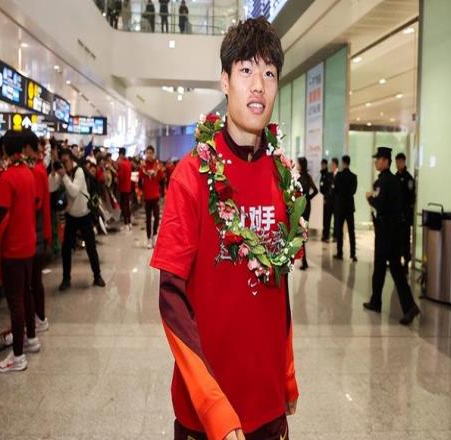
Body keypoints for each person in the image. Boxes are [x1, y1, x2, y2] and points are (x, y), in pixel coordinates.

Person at [151, 17, 299, 440]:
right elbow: (171, 297)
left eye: (269, 73)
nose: (258, 86)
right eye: (246, 70)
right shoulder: (192, 175)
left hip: (268, 405)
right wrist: (212, 406)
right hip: (205, 412)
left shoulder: (282, 176)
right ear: (225, 81)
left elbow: (279, 286)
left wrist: (287, 375)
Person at [0, 130, 38, 373]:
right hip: (28, 244)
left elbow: (1, 217)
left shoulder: (7, 178)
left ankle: (18, 356)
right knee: (26, 293)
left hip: (13, 248)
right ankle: (31, 338)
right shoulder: (29, 173)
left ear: (5, 150)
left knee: (15, 301)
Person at [363, 147, 420, 326]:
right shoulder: (392, 180)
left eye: (378, 159)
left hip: (387, 232)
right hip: (391, 230)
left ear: (386, 161)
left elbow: (380, 205)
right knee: (380, 266)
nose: (376, 162)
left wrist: (369, 198)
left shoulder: (384, 181)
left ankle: (410, 307)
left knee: (395, 268)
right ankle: (376, 301)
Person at [50, 149, 105, 291]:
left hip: (84, 215)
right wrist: (54, 173)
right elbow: (51, 187)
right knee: (66, 249)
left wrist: (64, 176)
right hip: (71, 216)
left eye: (66, 161)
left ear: (71, 159)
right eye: (62, 162)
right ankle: (66, 279)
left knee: (90, 247)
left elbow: (73, 191)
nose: (64, 164)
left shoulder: (78, 171)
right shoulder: (63, 173)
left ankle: (97, 276)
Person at [23, 131, 52, 333]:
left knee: (32, 281)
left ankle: (39, 318)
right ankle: (39, 317)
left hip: (36, 234)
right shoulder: (39, 168)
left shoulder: (37, 171)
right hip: (39, 233)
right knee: (34, 280)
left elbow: (36, 204)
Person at [333, 155, 357, 261]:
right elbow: (354, 191)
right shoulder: (353, 177)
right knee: (351, 231)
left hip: (340, 207)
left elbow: (335, 190)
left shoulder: (338, 175)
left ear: (343, 163)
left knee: (339, 231)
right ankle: (353, 254)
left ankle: (340, 253)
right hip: (350, 207)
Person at [139, 146, 163, 249]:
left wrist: (157, 172)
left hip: (155, 195)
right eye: (147, 153)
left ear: (153, 154)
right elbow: (140, 177)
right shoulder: (143, 165)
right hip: (147, 196)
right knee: (148, 219)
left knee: (157, 217)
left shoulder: (157, 165)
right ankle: (149, 239)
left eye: (150, 153)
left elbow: (160, 178)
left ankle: (154, 236)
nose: (148, 155)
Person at [395, 153, 415, 271]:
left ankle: (406, 262)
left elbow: (412, 197)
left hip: (405, 215)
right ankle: (397, 261)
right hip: (396, 214)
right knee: (396, 239)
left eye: (400, 162)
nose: (398, 164)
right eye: (397, 162)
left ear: (404, 162)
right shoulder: (395, 177)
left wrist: (407, 211)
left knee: (405, 239)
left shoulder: (409, 178)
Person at [297, 157, 318, 270]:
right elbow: (316, 190)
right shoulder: (308, 177)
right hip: (307, 206)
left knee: (301, 232)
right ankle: (303, 259)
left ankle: (304, 260)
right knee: (303, 231)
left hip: (301, 206)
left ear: (301, 165)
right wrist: (308, 197)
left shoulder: (299, 177)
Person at [117, 147, 132, 230]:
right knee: (127, 206)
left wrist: (117, 175)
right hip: (128, 187)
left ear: (121, 154)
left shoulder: (122, 164)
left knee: (124, 206)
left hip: (123, 188)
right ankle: (129, 222)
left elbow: (121, 177)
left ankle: (126, 223)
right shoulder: (128, 162)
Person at [319, 158, 333, 242]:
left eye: (323, 165)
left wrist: (325, 198)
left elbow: (328, 189)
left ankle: (326, 235)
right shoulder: (322, 174)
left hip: (327, 201)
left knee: (327, 219)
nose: (322, 166)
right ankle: (325, 234)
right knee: (324, 219)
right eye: (322, 164)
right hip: (323, 200)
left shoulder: (328, 175)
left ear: (326, 165)